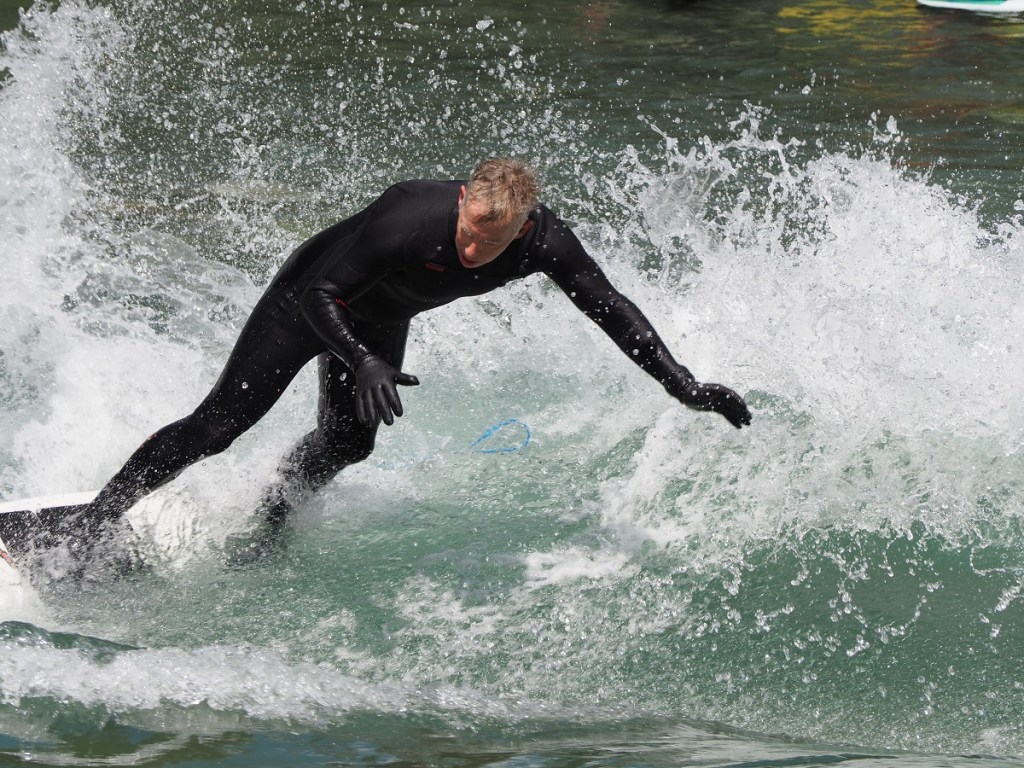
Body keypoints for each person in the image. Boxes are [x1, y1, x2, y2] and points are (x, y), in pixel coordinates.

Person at [83, 158, 751, 557]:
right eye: (469, 232)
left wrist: (683, 385)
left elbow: (611, 307)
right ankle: (93, 522)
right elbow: (321, 293)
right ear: (463, 201)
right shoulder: (409, 213)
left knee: (349, 444)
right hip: (308, 302)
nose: (471, 253)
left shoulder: (545, 242)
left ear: (522, 228)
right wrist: (361, 359)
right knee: (219, 427)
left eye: (491, 245)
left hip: (378, 318)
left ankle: (273, 515)